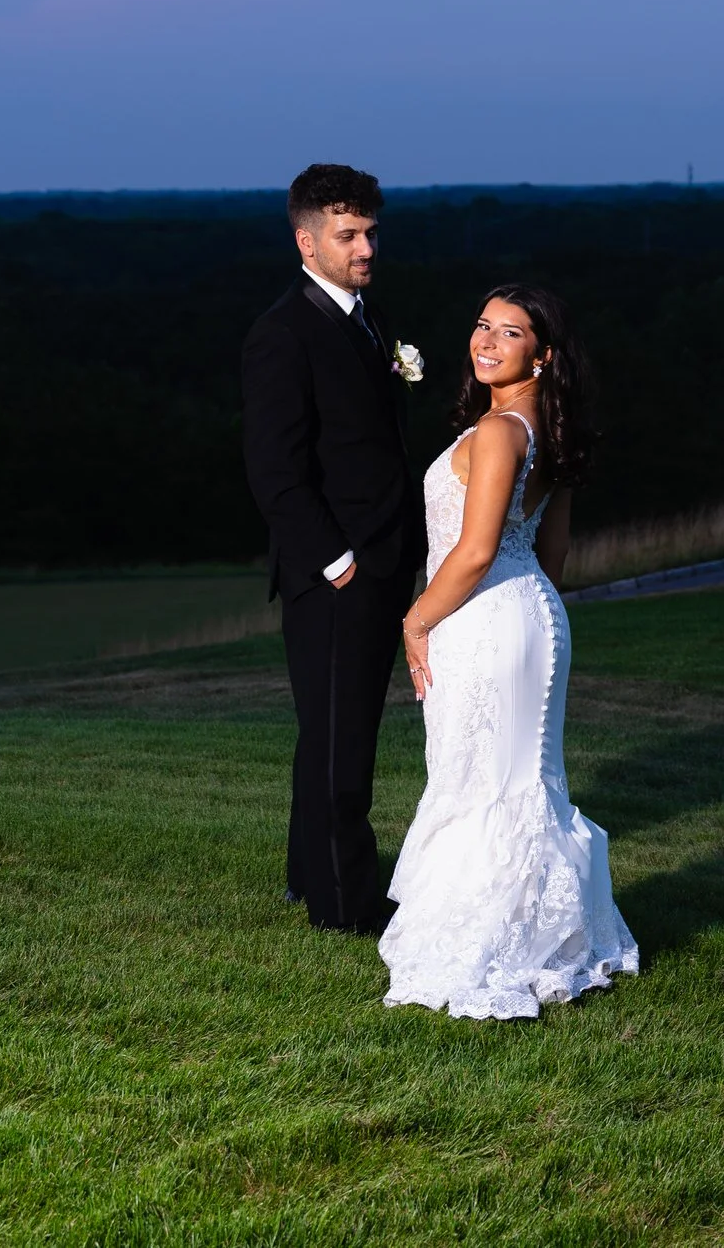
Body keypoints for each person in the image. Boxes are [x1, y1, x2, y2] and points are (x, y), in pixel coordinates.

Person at [380, 283, 638, 1020]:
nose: (487, 340)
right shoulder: (545, 429)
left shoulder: (499, 433)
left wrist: (417, 620)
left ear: (543, 353)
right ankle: (545, 942)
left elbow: (475, 550)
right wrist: (525, 616)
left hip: (482, 613)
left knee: (481, 781)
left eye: (511, 332)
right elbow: (551, 557)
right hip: (532, 616)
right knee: (521, 779)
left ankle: (494, 947)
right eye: (482, 324)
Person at [240, 164, 422, 936]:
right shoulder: (283, 332)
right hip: (338, 575)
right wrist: (338, 564)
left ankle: (303, 875)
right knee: (342, 744)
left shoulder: (368, 318)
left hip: (382, 559)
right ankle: (344, 905)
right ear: (305, 238)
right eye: (348, 234)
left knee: (334, 731)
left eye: (371, 231)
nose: (366, 246)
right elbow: (275, 473)